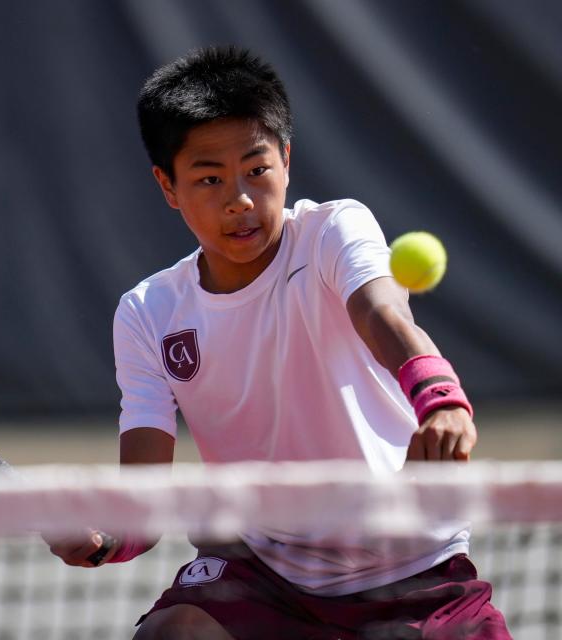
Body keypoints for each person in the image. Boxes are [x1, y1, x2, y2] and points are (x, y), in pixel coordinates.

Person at [47, 45, 511, 639]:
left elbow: (381, 311)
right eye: (209, 178)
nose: (239, 199)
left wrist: (439, 396)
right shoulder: (148, 313)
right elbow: (144, 501)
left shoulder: (333, 231)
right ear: (168, 185)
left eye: (256, 169)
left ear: (286, 161)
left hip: (416, 569)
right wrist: (105, 536)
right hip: (262, 576)